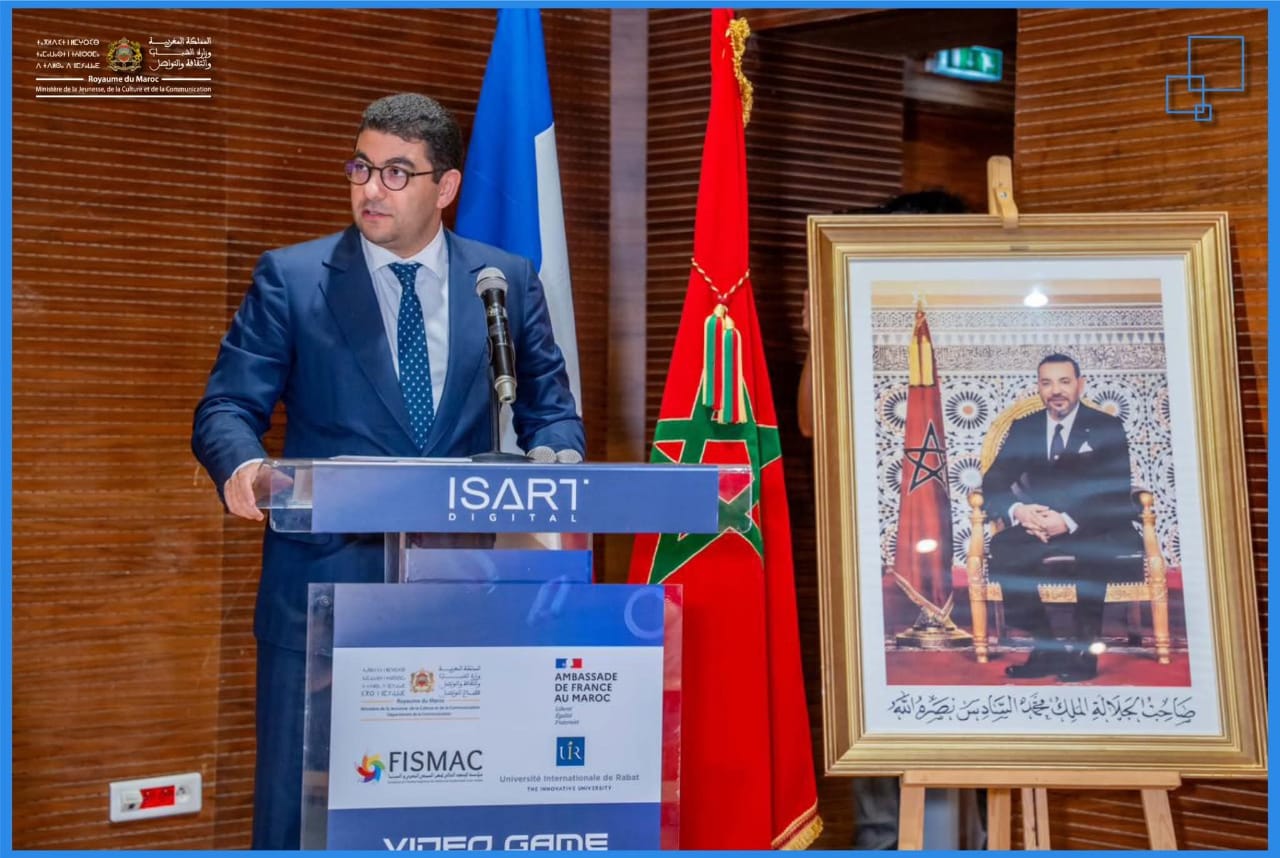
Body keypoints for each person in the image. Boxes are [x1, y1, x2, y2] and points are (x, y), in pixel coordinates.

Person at [191, 93, 584, 849]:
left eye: (398, 173)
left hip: (461, 589)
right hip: (321, 596)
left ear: (447, 186)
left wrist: (552, 461)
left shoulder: (502, 280)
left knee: (442, 815)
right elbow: (227, 407)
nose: (372, 188)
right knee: (300, 824)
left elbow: (552, 412)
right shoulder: (293, 278)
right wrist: (243, 465)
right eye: (362, 168)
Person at [984, 353, 1141, 682]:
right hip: (1041, 524)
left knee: (1093, 550)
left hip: (1096, 523)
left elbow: (1115, 489)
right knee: (1004, 547)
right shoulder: (1025, 428)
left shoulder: (1106, 426)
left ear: (1080, 385)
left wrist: (1067, 520)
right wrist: (1020, 511)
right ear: (1039, 387)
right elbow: (993, 481)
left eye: (1064, 381)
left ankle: (1085, 652)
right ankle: (1046, 648)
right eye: (1047, 383)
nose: (1056, 390)